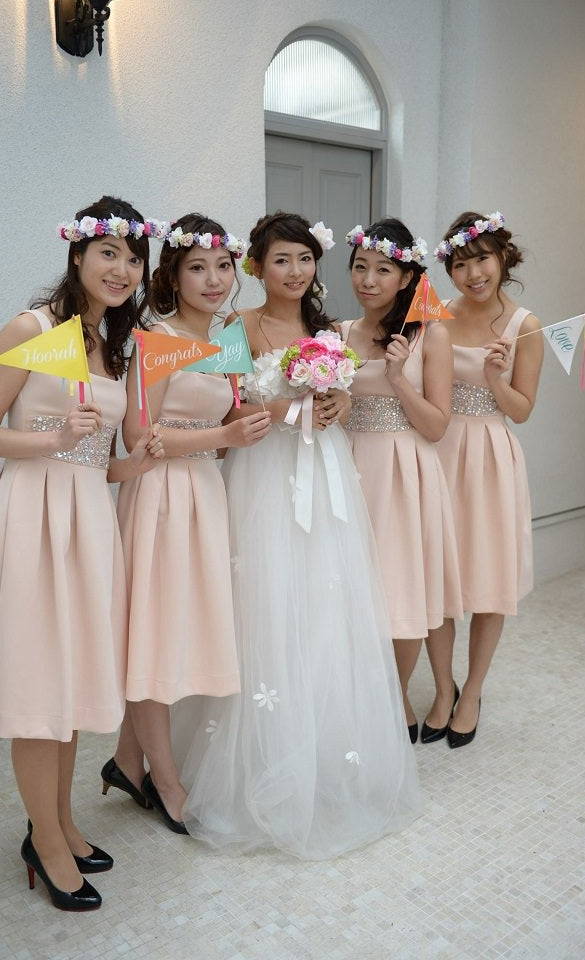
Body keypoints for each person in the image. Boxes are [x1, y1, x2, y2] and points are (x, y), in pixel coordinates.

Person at [178, 211, 420, 860]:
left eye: (305, 258)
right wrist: (285, 409)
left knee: (324, 605)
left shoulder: (329, 330)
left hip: (326, 472)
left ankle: (328, 758)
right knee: (267, 602)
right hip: (264, 476)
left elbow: (347, 392)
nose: (295, 271)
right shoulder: (238, 326)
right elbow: (230, 405)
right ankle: (261, 760)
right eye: (281, 259)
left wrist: (341, 403)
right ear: (257, 267)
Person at [0, 196, 162, 911]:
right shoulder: (31, 328)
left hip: (88, 523)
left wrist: (137, 462)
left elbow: (99, 463)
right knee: (40, 689)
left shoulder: (115, 347)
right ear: (77, 255)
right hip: (32, 523)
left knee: (67, 687)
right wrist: (51, 438)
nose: (121, 269)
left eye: (133, 259)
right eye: (108, 253)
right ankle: (43, 839)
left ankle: (62, 823)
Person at [99, 213, 271, 833]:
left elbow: (230, 421)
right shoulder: (156, 338)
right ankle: (166, 783)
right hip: (159, 495)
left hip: (204, 493)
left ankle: (127, 761)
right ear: (172, 276)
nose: (214, 279)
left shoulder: (226, 341)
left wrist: (303, 397)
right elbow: (137, 435)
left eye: (223, 266)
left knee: (178, 629)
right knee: (154, 635)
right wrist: (224, 436)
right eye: (197, 267)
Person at [422, 211, 543, 747]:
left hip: (491, 457)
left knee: (489, 580)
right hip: (438, 450)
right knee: (439, 576)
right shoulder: (435, 317)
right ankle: (441, 689)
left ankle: (471, 691)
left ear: (502, 259)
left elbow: (522, 410)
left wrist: (495, 377)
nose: (473, 274)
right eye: (460, 264)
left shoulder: (526, 326)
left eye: (482, 260)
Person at [340, 218, 463, 744]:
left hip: (405, 473)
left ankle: (395, 700)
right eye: (360, 267)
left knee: (400, 592)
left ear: (407, 276)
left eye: (383, 270)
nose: (368, 280)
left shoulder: (431, 334)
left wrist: (397, 378)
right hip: (349, 468)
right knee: (353, 589)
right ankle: (359, 700)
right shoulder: (339, 333)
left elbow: (437, 426)